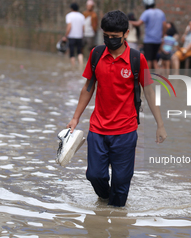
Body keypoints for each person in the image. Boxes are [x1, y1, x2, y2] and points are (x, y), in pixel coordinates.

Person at [66, 10, 167, 207]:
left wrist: (160, 125)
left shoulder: (137, 59)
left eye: (115, 37)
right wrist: (75, 118)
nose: (110, 40)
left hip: (125, 130)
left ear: (126, 34)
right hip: (98, 128)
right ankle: (104, 203)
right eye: (106, 36)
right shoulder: (96, 54)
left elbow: (149, 92)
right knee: (94, 175)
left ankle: (118, 224)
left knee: (121, 184)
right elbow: (88, 88)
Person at [130, 0, 167, 69]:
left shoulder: (147, 13)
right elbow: (165, 26)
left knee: (148, 59)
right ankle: (158, 77)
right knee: (154, 59)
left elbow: (138, 23)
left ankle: (147, 78)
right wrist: (162, 36)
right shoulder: (161, 12)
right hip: (157, 40)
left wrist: (128, 21)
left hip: (149, 41)